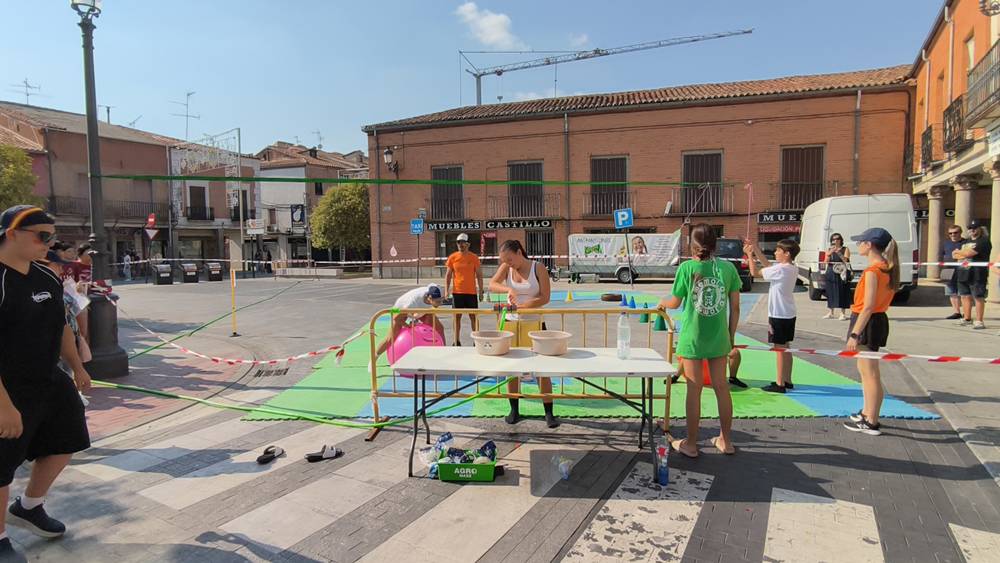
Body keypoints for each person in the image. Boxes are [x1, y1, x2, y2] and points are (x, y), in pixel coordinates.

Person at [0, 206, 92, 560]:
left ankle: (30, 505)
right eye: (42, 236)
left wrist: (76, 368)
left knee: (67, 438)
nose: (48, 244)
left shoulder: (46, 276)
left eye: (52, 237)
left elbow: (62, 327)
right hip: (7, 387)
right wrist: (4, 405)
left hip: (48, 378)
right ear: (11, 233)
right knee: (1, 466)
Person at [656, 224, 740, 457]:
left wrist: (661, 302)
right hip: (719, 337)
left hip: (693, 337)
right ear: (716, 244)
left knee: (694, 390)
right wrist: (731, 336)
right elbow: (735, 307)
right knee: (722, 388)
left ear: (691, 246)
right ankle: (726, 441)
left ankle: (691, 444)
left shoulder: (686, 268)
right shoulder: (728, 269)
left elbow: (675, 302)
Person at [488, 240, 558, 428]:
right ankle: (514, 408)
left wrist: (523, 307)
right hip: (511, 323)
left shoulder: (538, 268)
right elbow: (492, 284)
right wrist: (508, 289)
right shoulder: (507, 267)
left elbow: (545, 297)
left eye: (510, 259)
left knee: (542, 368)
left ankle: (549, 411)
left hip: (534, 323)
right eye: (505, 261)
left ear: (519, 252)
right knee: (512, 368)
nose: (509, 263)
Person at [843, 227, 899, 436]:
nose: (858, 246)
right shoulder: (886, 268)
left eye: (861, 242)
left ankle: (871, 420)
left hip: (867, 320)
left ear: (870, 244)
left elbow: (867, 306)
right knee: (866, 371)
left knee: (870, 373)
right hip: (876, 319)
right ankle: (867, 412)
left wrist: (855, 334)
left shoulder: (873, 271)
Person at [745, 239, 800, 394]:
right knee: (786, 347)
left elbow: (755, 273)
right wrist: (755, 248)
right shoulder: (790, 268)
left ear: (787, 254)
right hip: (788, 313)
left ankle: (780, 383)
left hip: (778, 314)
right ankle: (787, 380)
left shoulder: (781, 269)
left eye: (778, 250)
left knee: (779, 349)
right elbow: (768, 266)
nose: (775, 252)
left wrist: (749, 256)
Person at [373, 284, 446, 360]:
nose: (440, 303)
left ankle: (444, 353)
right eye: (438, 301)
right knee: (391, 338)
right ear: (430, 298)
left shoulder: (436, 289)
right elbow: (396, 318)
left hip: (419, 309)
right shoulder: (412, 303)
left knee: (439, 328)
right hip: (400, 309)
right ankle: (375, 356)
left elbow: (432, 285)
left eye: (441, 300)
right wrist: (408, 326)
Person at [444, 233, 484, 346]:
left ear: (468, 244)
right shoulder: (452, 257)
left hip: (471, 293)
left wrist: (481, 291)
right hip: (457, 293)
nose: (461, 244)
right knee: (456, 317)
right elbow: (448, 276)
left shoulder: (474, 257)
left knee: (473, 317)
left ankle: (477, 340)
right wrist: (446, 291)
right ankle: (456, 340)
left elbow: (479, 275)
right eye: (458, 242)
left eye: (463, 242)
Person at [952, 219, 992, 329]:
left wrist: (961, 253)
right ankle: (967, 318)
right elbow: (954, 255)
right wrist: (962, 254)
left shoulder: (984, 241)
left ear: (980, 229)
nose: (972, 230)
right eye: (970, 228)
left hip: (977, 273)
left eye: (974, 228)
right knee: (964, 296)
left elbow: (969, 253)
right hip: (963, 271)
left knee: (978, 296)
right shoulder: (965, 242)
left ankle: (979, 321)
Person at [672, 348, 746, 388]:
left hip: (712, 377)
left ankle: (732, 378)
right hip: (694, 376)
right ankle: (676, 376)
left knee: (735, 352)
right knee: (691, 353)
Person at [823, 233, 851, 320]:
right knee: (831, 291)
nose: (835, 241)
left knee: (842, 291)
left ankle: (842, 313)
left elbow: (846, 260)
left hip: (841, 271)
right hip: (831, 271)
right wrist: (829, 254)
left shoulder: (845, 249)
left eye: (837, 239)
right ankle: (831, 312)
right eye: (833, 239)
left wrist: (838, 252)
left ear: (841, 240)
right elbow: (825, 262)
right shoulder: (829, 249)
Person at [942, 225, 967, 320]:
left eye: (955, 232)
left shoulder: (966, 242)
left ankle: (966, 312)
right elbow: (943, 254)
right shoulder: (946, 243)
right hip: (948, 269)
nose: (953, 235)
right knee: (951, 291)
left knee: (963, 292)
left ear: (960, 232)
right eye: (950, 233)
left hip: (962, 270)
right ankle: (957, 312)